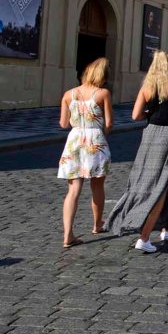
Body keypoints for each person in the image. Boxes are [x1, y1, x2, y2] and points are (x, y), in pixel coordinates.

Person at [107, 50, 168, 253]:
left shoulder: (146, 89)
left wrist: (151, 112)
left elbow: (135, 115)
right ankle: (144, 238)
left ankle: (163, 226)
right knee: (161, 184)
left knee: (146, 180)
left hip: (149, 135)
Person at [58, 57, 113, 249]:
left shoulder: (68, 94)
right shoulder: (102, 93)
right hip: (95, 140)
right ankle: (97, 224)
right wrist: (100, 135)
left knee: (73, 190)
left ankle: (67, 234)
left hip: (74, 141)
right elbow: (109, 123)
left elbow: (63, 124)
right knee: (97, 186)